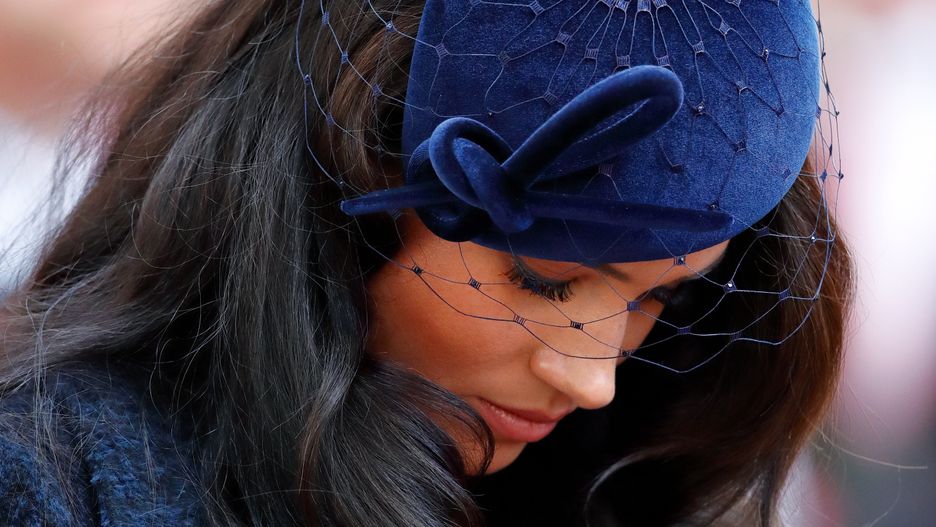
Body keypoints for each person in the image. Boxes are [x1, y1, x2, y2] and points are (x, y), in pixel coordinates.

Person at [0, 0, 853, 525]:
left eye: (661, 299)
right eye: (545, 280)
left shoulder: (631, 479)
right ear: (349, 168)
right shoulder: (51, 481)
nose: (594, 378)